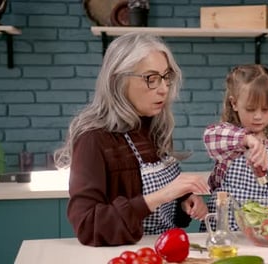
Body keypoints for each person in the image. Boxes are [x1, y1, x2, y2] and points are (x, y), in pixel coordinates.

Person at [54, 32, 209, 246]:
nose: (164, 88)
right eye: (151, 79)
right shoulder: (93, 139)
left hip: (163, 249)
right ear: (118, 80)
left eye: (165, 77)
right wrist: (161, 195)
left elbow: (158, 200)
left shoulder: (153, 127)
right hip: (125, 255)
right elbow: (88, 225)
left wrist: (182, 200)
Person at [201, 64, 268, 232]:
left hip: (264, 231)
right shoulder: (230, 139)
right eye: (251, 109)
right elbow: (210, 136)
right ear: (235, 104)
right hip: (227, 230)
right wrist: (248, 140)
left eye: (265, 109)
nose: (258, 116)